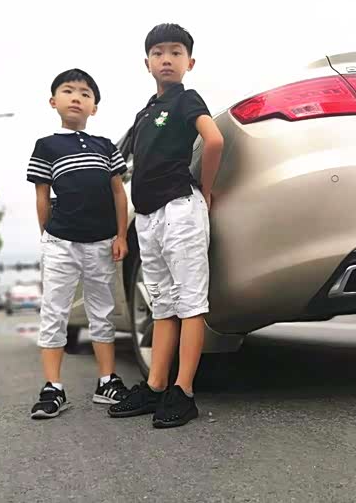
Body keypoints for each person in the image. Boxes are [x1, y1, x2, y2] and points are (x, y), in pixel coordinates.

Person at [109, 24, 224, 428]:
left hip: (179, 209)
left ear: (189, 62)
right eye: (158, 53)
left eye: (176, 52)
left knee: (190, 302)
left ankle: (184, 391)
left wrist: (206, 190)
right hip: (147, 217)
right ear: (147, 63)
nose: (167, 59)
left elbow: (214, 141)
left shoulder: (186, 99)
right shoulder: (145, 112)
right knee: (162, 304)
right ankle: (156, 385)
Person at [26, 68, 131, 419]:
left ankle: (107, 382)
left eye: (85, 94)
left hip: (102, 242)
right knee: (54, 311)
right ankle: (53, 387)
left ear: (94, 107)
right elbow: (42, 196)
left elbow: (118, 193)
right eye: (68, 91)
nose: (76, 98)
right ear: (53, 101)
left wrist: (121, 235)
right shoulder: (46, 146)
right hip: (61, 242)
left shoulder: (105, 146)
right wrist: (47, 234)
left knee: (102, 312)